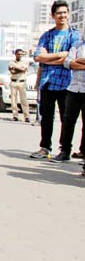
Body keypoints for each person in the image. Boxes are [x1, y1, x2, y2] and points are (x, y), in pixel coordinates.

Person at [30, 0, 80, 159]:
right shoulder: (47, 35)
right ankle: (45, 147)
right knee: (46, 117)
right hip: (47, 81)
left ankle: (64, 150)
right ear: (53, 15)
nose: (63, 16)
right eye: (59, 13)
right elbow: (38, 56)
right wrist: (60, 55)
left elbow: (71, 57)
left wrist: (48, 58)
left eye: (65, 12)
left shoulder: (74, 35)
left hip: (67, 82)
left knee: (67, 119)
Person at [53, 32, 85, 163]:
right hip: (73, 89)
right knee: (68, 122)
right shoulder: (77, 46)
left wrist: (77, 61)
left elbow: (73, 62)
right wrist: (78, 63)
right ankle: (65, 151)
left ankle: (83, 151)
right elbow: (67, 63)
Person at [9, 49, 31, 122]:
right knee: (13, 100)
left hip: (22, 82)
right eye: (18, 54)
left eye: (21, 54)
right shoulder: (12, 62)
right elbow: (12, 71)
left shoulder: (25, 62)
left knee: (23, 100)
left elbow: (24, 69)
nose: (20, 55)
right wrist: (20, 69)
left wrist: (16, 68)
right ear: (15, 54)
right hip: (14, 82)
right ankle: (15, 115)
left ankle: (26, 116)